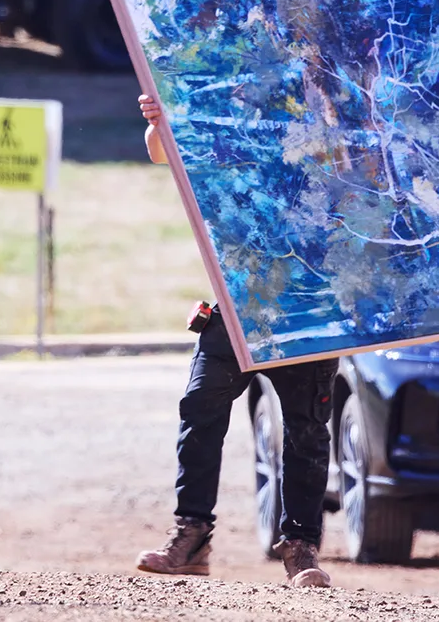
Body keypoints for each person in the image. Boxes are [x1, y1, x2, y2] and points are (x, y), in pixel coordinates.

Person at [135, 93, 339, 588]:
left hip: (308, 306)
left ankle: (300, 549)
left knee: (306, 431)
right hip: (238, 300)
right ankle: (192, 537)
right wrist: (161, 116)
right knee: (200, 406)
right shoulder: (230, 106)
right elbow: (161, 150)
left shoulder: (331, 111)